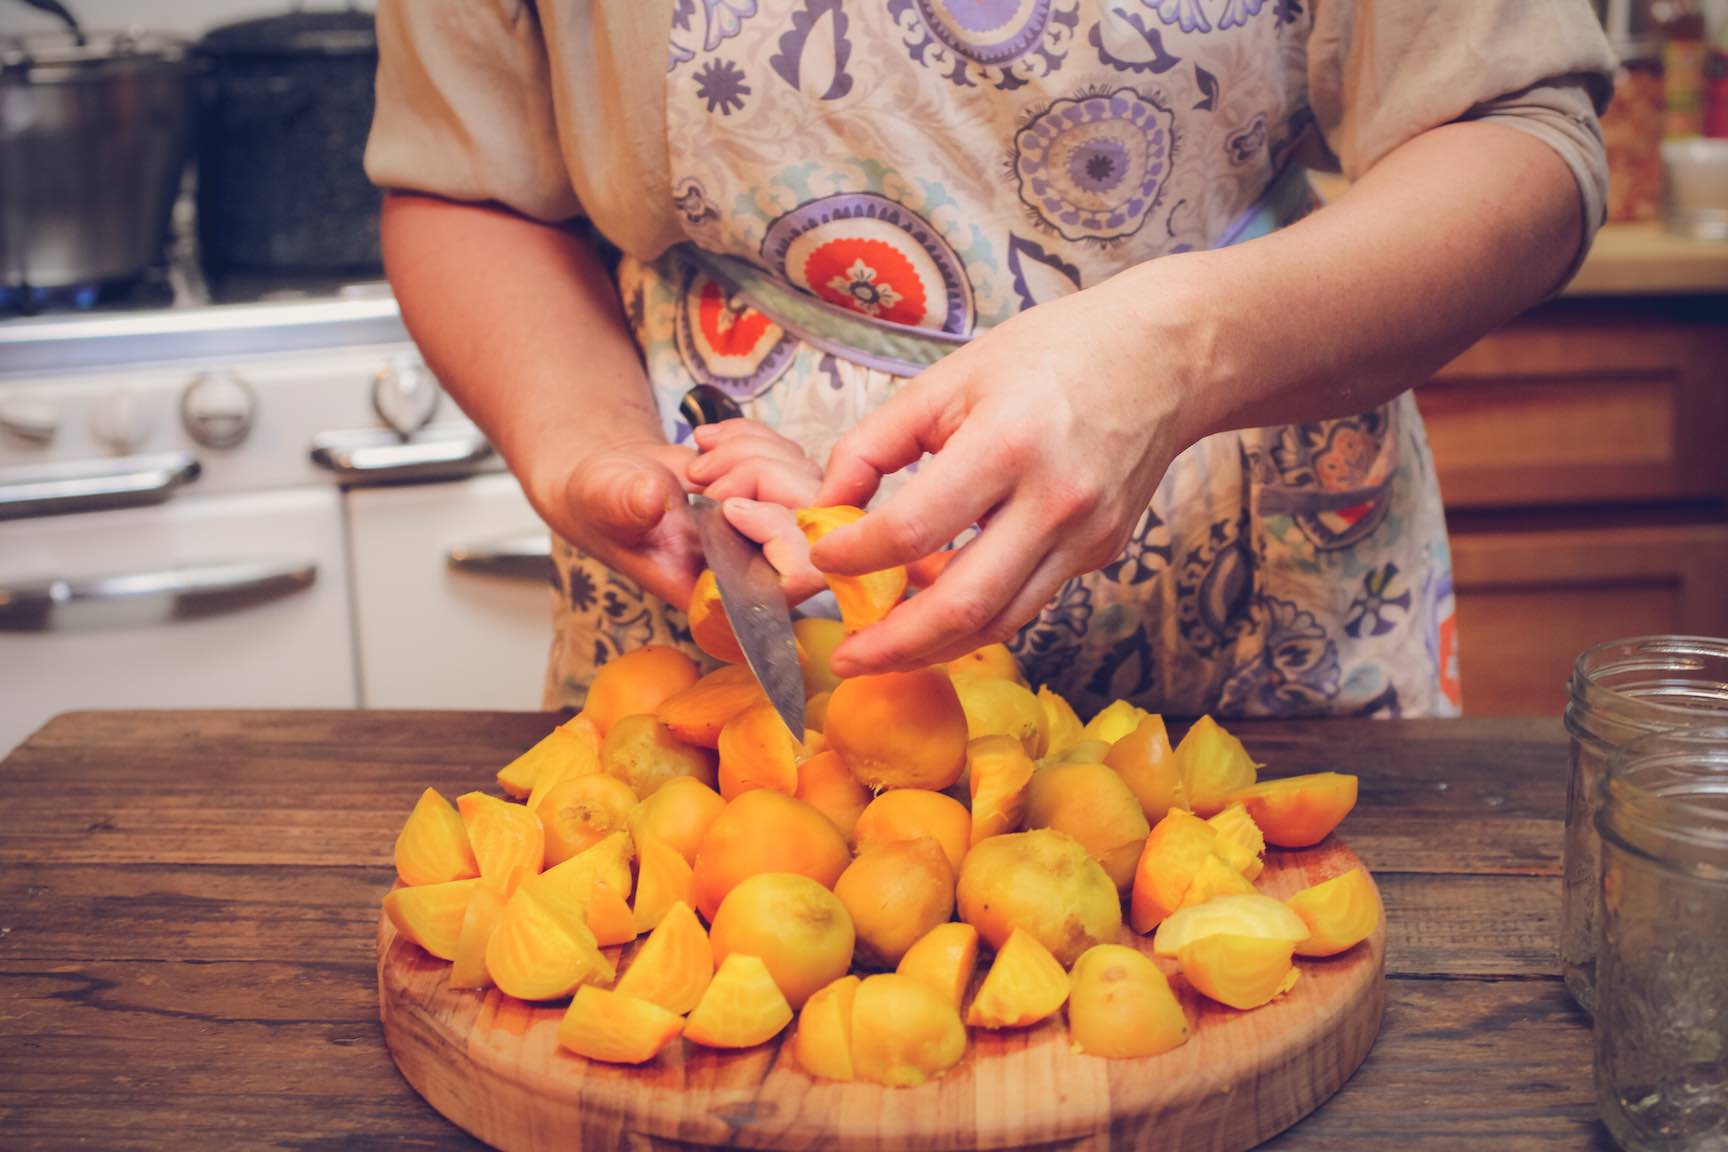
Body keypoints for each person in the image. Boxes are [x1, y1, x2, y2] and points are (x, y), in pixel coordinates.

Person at [366, 0, 1615, 719]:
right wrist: (583, 439)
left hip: (1270, 628)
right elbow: (470, 183)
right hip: (730, 616)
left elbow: (1522, 139)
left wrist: (1173, 355)